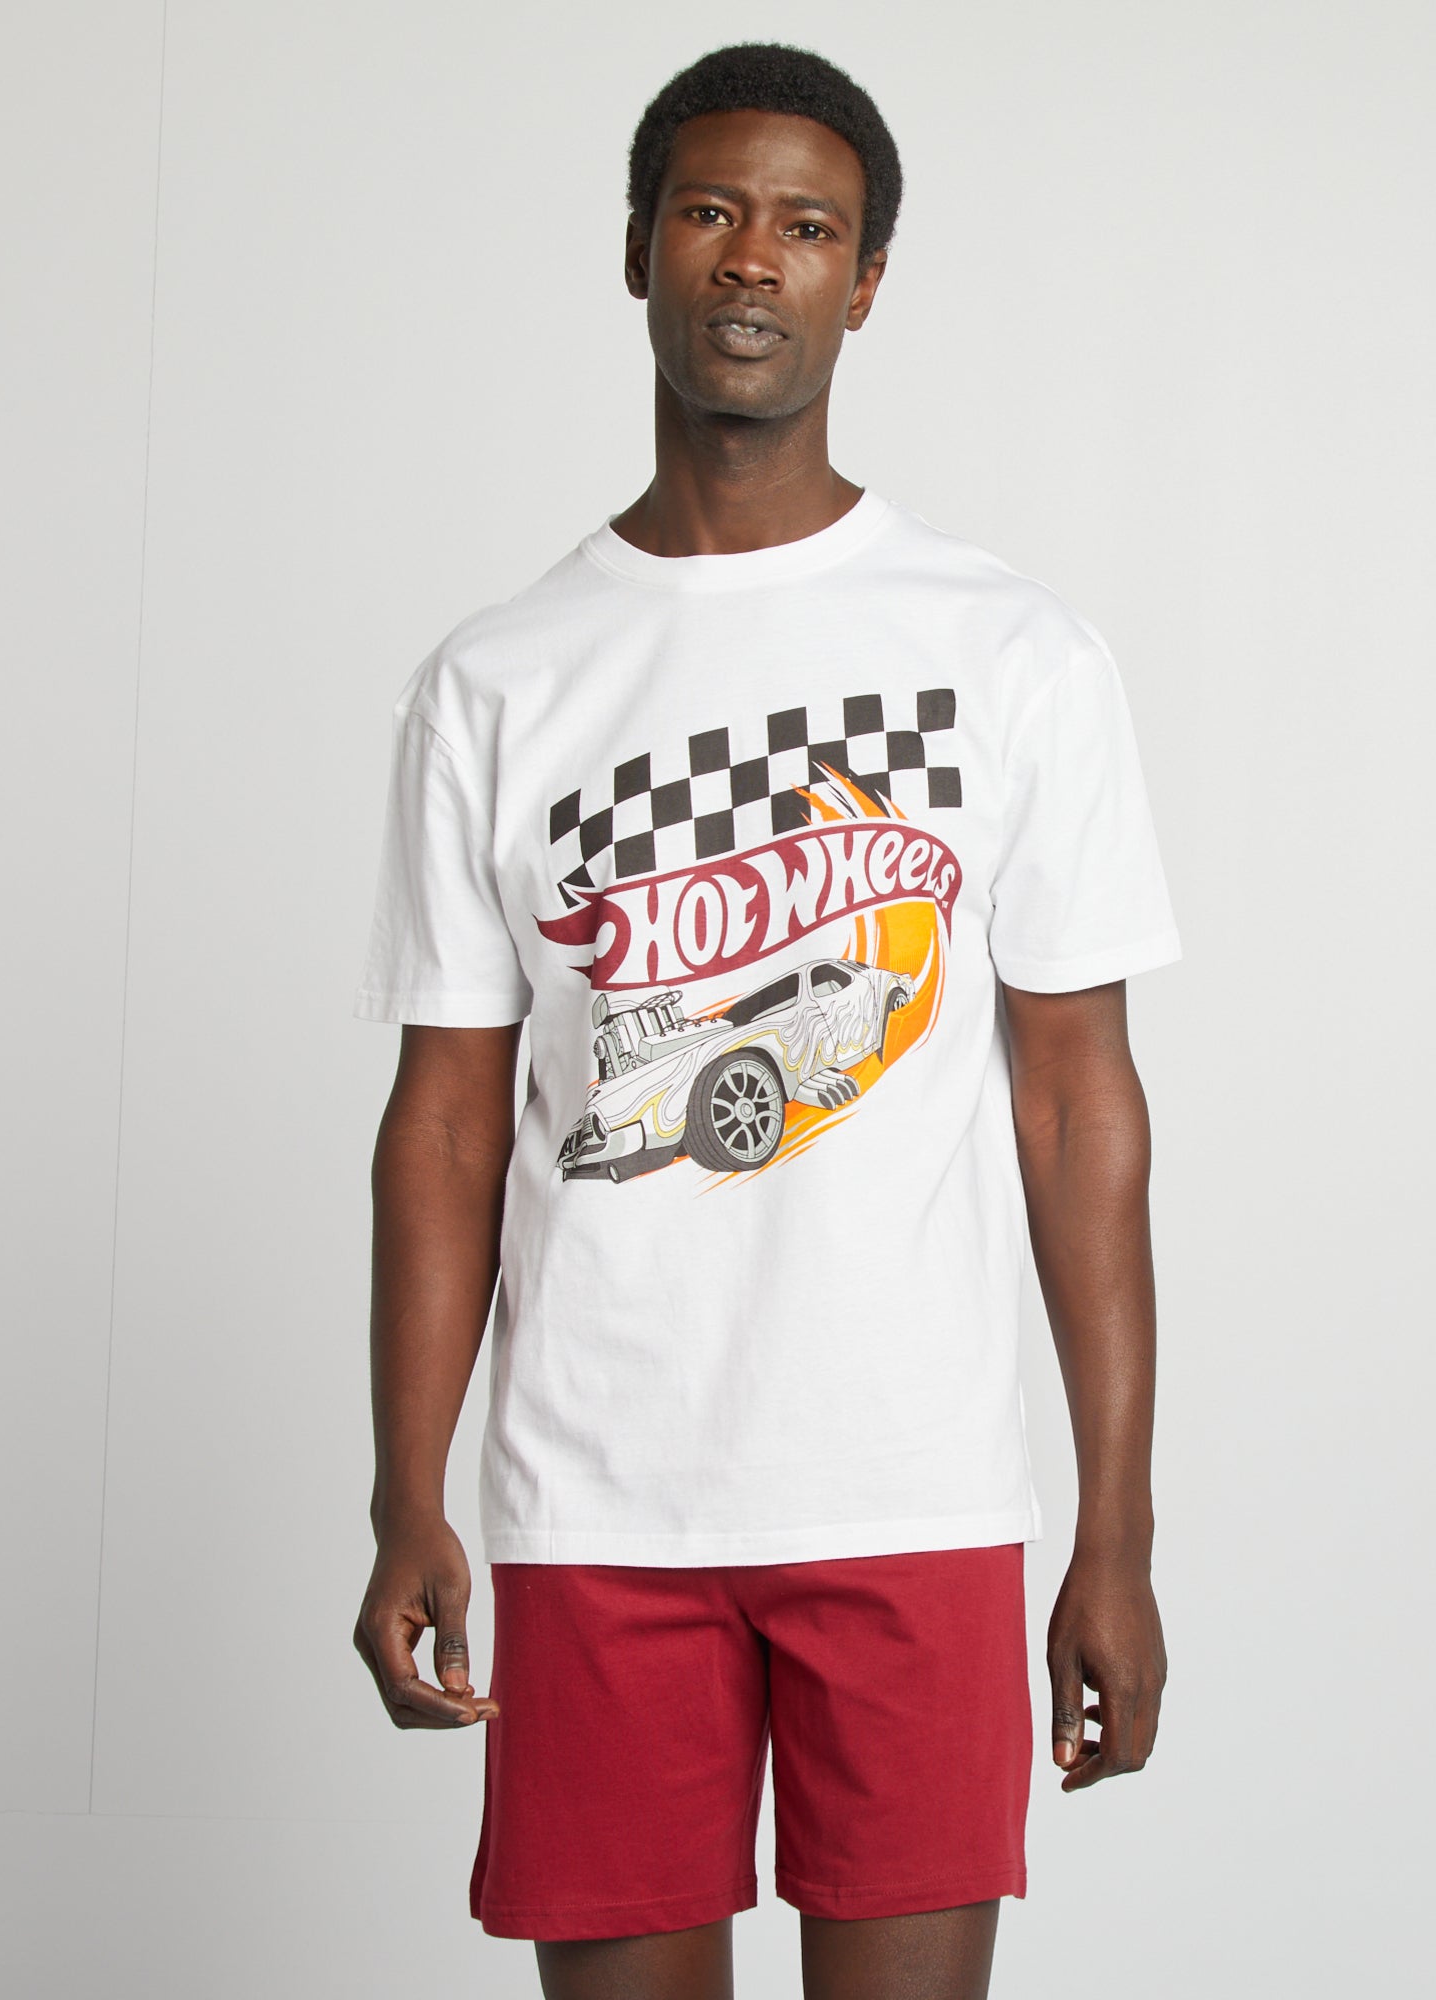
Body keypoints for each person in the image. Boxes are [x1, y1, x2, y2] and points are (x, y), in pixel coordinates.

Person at [351, 40, 1179, 2000]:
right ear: (638, 248)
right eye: (711, 211)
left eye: (807, 226)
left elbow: (1079, 1106)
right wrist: (405, 1492)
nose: (751, 258)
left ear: (863, 283)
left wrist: (1117, 1532)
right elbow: (447, 1120)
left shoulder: (1012, 655)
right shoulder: (498, 679)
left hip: (911, 1485)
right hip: (592, 1498)